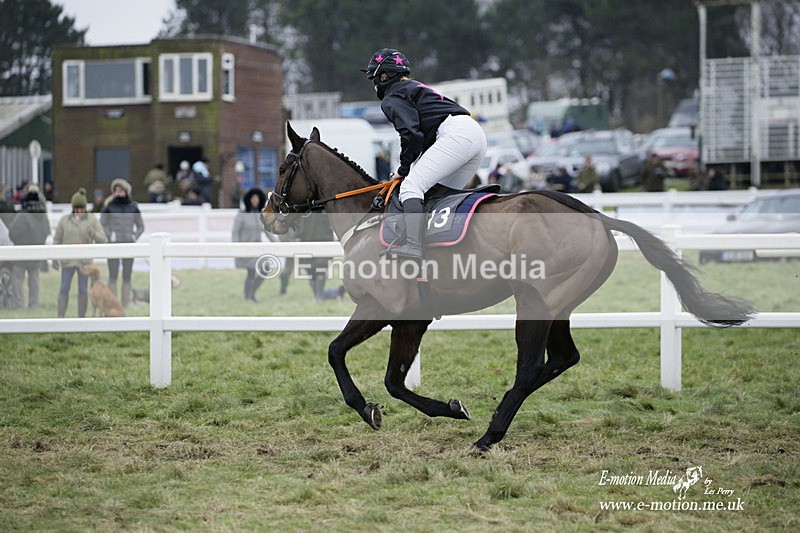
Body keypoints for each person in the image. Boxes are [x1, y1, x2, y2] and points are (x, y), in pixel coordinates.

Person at [362, 48, 487, 259]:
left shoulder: (392, 96)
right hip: (474, 135)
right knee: (438, 196)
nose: (374, 84)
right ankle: (443, 251)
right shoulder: (412, 87)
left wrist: (402, 170)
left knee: (411, 186)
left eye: (374, 78)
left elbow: (411, 135)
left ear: (383, 76)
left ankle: (413, 247)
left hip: (456, 134)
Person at [53, 188, 108, 317]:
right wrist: (54, 257)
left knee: (83, 290)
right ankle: (60, 315)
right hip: (67, 261)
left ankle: (81, 316)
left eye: (81, 208)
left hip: (84, 263)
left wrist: (93, 233)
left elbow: (103, 239)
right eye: (77, 208)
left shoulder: (92, 220)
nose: (79, 211)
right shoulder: (64, 221)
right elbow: (57, 239)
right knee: (64, 288)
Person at [100, 179, 145, 307]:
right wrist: (110, 235)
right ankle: (112, 302)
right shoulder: (109, 207)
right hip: (113, 245)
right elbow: (102, 224)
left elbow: (141, 227)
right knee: (112, 275)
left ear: (126, 192)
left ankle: (126, 302)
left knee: (127, 275)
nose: (118, 193)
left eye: (121, 190)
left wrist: (134, 237)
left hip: (129, 245)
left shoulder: (133, 208)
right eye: (116, 190)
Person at [8, 189, 51, 308]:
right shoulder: (43, 215)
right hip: (36, 253)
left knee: (18, 280)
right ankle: (34, 304)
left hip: (21, 252)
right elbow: (47, 232)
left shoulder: (24, 215)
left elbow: (12, 233)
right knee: (34, 281)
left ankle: (19, 304)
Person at [231, 188, 267, 302]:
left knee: (266, 269)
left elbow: (267, 230)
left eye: (257, 198)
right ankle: (248, 297)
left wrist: (278, 245)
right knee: (251, 272)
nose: (255, 200)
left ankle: (251, 293)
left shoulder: (260, 213)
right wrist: (237, 248)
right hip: (246, 248)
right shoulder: (242, 214)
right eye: (253, 198)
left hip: (258, 249)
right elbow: (235, 232)